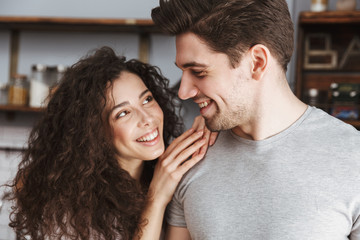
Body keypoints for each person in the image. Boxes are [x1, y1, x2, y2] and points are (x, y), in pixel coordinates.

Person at [151, 0, 360, 239]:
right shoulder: (188, 159)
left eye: (198, 72)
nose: (183, 91)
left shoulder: (353, 158)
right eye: (182, 71)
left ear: (257, 62)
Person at [7, 46, 215, 240]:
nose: (147, 119)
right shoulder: (67, 207)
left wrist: (211, 122)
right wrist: (157, 199)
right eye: (123, 113)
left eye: (147, 100)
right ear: (94, 132)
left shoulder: (168, 171)